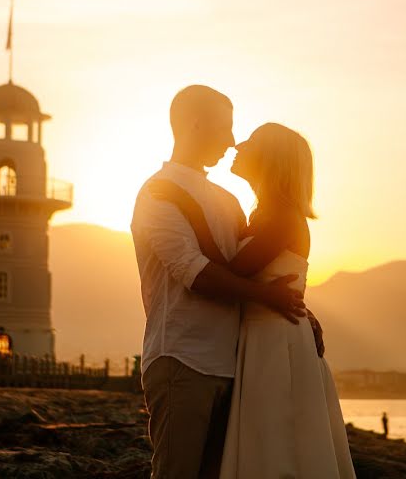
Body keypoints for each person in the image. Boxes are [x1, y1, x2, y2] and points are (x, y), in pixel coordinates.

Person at [150, 122, 356, 478]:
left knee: (276, 448)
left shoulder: (280, 216)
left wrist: (191, 212)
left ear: (271, 159)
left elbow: (228, 271)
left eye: (252, 141)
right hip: (262, 338)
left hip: (275, 343)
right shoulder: (263, 215)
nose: (239, 145)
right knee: (268, 445)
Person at [131, 86, 309, 479]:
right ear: (196, 123)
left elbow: (247, 264)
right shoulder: (156, 193)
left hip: (236, 364)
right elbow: (195, 272)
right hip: (183, 359)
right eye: (226, 127)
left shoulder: (226, 200)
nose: (232, 141)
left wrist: (297, 306)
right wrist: (269, 297)